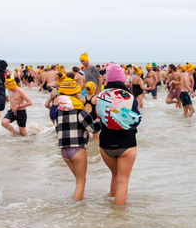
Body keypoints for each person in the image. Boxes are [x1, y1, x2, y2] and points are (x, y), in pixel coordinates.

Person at [96, 64, 142, 205]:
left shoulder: (101, 96)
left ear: (108, 79)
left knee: (115, 175)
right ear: (122, 79)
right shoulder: (129, 96)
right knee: (123, 182)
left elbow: (98, 116)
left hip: (106, 144)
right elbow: (135, 116)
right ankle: (118, 217)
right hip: (126, 143)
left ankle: (111, 208)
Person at [54, 78, 102, 200]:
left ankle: (81, 203)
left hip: (64, 151)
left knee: (79, 181)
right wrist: (103, 120)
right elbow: (93, 129)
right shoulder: (80, 111)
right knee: (80, 182)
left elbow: (57, 129)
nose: (80, 95)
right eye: (79, 93)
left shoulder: (58, 111)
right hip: (78, 150)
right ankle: (76, 208)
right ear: (75, 94)